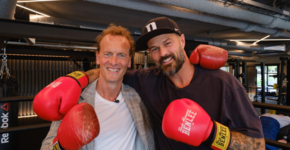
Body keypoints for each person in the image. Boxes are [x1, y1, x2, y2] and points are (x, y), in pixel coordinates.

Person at [36, 17, 265, 150]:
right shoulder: (145, 82)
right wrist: (76, 79)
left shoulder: (224, 84)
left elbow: (258, 145)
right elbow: (111, 69)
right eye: (154, 49)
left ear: (182, 40)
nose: (163, 53)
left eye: (168, 43)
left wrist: (212, 132)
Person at [35, 24, 154, 150]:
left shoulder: (136, 97)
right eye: (108, 54)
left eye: (121, 55)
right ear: (98, 57)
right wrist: (61, 146)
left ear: (129, 60)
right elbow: (46, 147)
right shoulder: (75, 101)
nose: (114, 61)